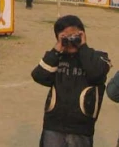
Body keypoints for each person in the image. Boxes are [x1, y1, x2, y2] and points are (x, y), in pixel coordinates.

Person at [31, 15, 112, 147]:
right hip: (54, 125)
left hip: (81, 127)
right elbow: (38, 76)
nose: (71, 41)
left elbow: (96, 74)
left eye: (74, 36)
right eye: (65, 38)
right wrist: (57, 49)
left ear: (83, 34)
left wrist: (83, 47)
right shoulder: (57, 58)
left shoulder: (98, 57)